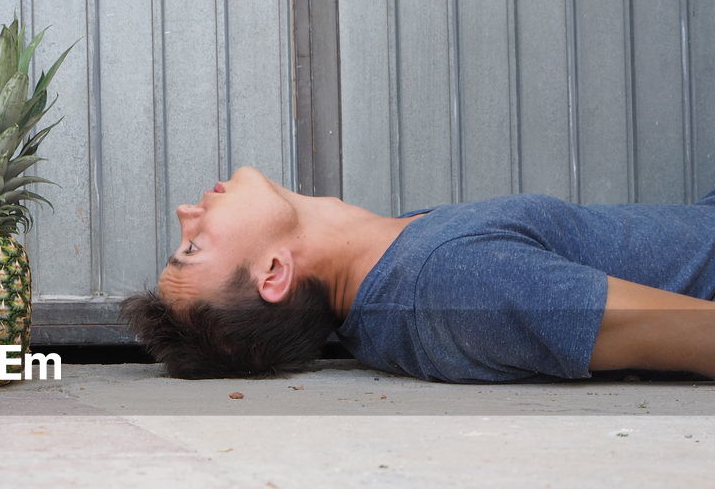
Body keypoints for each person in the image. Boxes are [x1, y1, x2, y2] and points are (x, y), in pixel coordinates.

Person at [120, 167, 715, 382]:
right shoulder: (455, 282)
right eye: (193, 246)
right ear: (273, 274)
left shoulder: (400, 269)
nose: (185, 212)